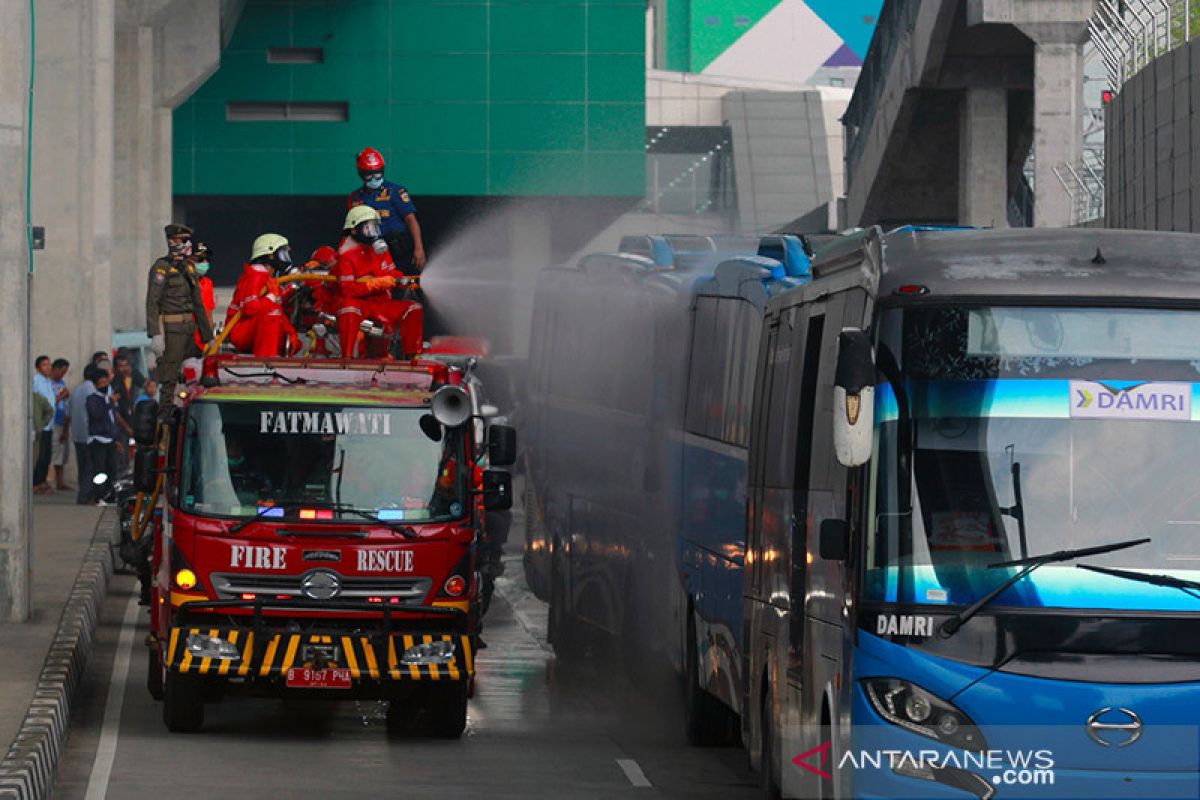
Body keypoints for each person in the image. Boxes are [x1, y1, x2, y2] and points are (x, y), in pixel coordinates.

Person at [333, 206, 421, 358]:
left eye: (375, 227)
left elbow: (390, 272)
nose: (373, 232)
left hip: (381, 302)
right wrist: (376, 284)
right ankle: (346, 358)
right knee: (349, 309)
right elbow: (347, 289)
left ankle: (412, 357)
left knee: (413, 308)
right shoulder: (346, 256)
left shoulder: (380, 250)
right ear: (354, 230)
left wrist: (402, 280)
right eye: (368, 228)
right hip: (358, 304)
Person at [146, 223, 212, 418]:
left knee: (193, 374)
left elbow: (198, 304)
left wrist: (207, 337)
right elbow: (152, 301)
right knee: (170, 378)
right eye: (182, 240)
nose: (186, 244)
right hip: (172, 329)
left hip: (189, 330)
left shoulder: (189, 269)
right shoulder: (161, 268)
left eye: (187, 240)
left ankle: (191, 413)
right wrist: (155, 334)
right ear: (171, 241)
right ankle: (165, 417)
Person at [347, 147, 426, 273]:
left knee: (402, 284)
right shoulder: (355, 198)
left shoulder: (395, 191)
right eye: (369, 175)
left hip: (398, 250)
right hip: (371, 251)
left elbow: (411, 220)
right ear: (361, 174)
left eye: (378, 174)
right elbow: (351, 229)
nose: (374, 179)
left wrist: (419, 248)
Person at [225, 234, 300, 357]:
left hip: (252, 329)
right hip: (240, 331)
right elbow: (250, 308)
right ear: (270, 255)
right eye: (282, 254)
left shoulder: (266, 278)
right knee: (271, 313)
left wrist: (291, 333)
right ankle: (265, 361)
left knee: (275, 315)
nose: (285, 259)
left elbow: (277, 308)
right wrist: (271, 296)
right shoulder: (255, 275)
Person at [67, 365, 99, 504]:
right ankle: (85, 496)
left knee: (82, 466)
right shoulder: (94, 392)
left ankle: (83, 492)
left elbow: (68, 414)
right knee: (90, 467)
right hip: (90, 435)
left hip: (77, 434)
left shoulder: (75, 390)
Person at [85, 368, 117, 504]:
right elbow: (97, 414)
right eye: (101, 383)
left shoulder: (108, 398)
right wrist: (109, 403)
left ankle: (109, 495)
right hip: (98, 439)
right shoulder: (92, 399)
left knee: (111, 469)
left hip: (110, 439)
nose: (104, 385)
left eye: (106, 382)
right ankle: (98, 496)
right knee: (100, 470)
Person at [32, 355, 57, 493]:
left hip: (50, 424)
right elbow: (37, 404)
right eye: (44, 365)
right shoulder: (36, 381)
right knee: (40, 456)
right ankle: (36, 482)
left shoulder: (48, 381)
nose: (48, 367)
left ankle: (41, 481)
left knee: (46, 455)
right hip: (41, 424)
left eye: (49, 364)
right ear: (38, 367)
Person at [110, 354, 138, 473]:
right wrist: (126, 427)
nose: (124, 368)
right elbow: (115, 411)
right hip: (120, 427)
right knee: (120, 460)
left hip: (128, 424)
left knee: (127, 458)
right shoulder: (115, 383)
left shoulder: (128, 380)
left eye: (126, 365)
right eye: (121, 366)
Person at [50, 358, 71, 491]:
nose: (63, 375)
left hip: (62, 420)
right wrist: (61, 396)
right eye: (62, 371)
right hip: (52, 421)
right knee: (54, 452)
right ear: (55, 369)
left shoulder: (61, 383)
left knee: (62, 453)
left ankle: (60, 482)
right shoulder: (48, 384)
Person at [192, 242, 216, 351]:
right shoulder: (182, 282)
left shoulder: (208, 283)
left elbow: (209, 314)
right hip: (187, 339)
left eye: (207, 260)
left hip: (203, 340)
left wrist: (210, 337)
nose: (205, 263)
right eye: (200, 260)